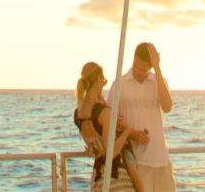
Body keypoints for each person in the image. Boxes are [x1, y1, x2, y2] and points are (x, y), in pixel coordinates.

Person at [108, 43, 173, 192]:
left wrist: (158, 68)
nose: (137, 71)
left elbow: (167, 107)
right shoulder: (119, 84)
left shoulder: (158, 81)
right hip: (136, 162)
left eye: (142, 69)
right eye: (135, 65)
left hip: (161, 159)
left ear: (150, 66)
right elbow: (110, 120)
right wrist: (132, 133)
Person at [72, 61, 143, 192]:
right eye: (103, 80)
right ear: (98, 79)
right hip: (114, 176)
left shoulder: (78, 114)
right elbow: (112, 151)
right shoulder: (103, 112)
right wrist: (127, 131)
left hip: (97, 178)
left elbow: (96, 145)